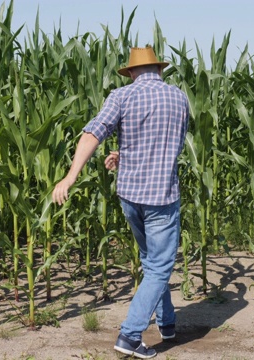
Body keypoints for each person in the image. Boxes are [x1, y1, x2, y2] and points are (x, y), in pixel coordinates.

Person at [52, 46, 189, 359]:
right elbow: (170, 147)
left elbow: (91, 134)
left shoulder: (121, 96)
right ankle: (129, 336)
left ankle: (167, 323)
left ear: (130, 72)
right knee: (159, 266)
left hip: (130, 198)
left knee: (152, 261)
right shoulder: (179, 98)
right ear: (159, 69)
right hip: (161, 198)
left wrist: (70, 177)